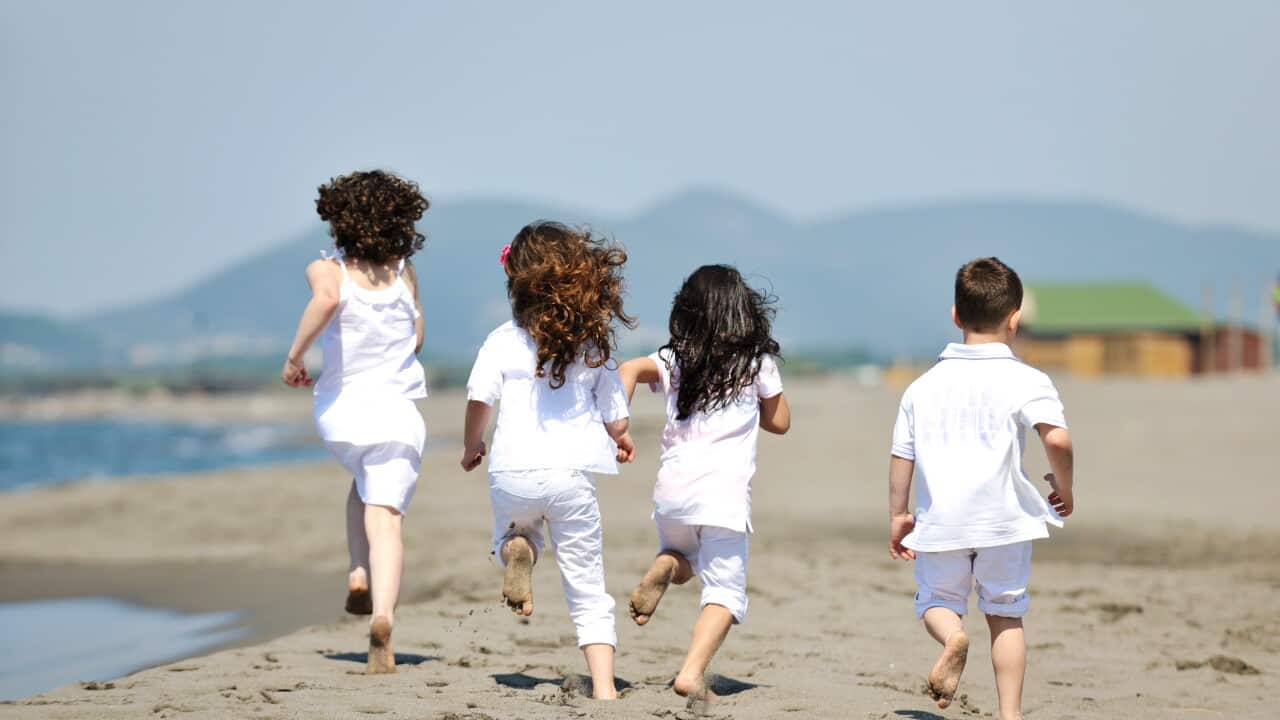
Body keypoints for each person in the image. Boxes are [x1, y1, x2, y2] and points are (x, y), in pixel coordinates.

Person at [888, 257, 1075, 720]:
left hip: (942, 521)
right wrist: (1064, 487)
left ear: (955, 315)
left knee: (936, 602)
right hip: (1005, 520)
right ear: (1015, 318)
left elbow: (902, 457)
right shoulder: (1028, 380)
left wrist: (898, 515)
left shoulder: (922, 387)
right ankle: (1010, 715)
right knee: (1006, 615)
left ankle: (952, 637)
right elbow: (1057, 438)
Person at [460, 221, 637, 700]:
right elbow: (615, 413)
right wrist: (619, 438)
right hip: (569, 476)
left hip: (512, 471)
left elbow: (480, 398)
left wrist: (472, 444)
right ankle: (604, 688)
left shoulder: (501, 340)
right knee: (586, 581)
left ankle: (519, 552)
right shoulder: (593, 343)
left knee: (512, 536)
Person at [618, 265, 791, 709]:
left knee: (682, 558)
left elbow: (631, 368)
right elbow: (781, 422)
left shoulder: (676, 357)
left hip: (672, 493)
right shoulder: (757, 362)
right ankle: (691, 672)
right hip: (723, 498)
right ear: (744, 312)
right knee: (725, 594)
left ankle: (664, 566)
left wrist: (618, 425)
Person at [282, 169, 430, 674]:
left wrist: (295, 358)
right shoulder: (403, 273)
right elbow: (416, 336)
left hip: (344, 415)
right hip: (396, 415)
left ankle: (357, 573)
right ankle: (383, 617)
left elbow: (325, 302)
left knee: (364, 483)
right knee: (386, 519)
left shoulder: (327, 270)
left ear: (338, 219)